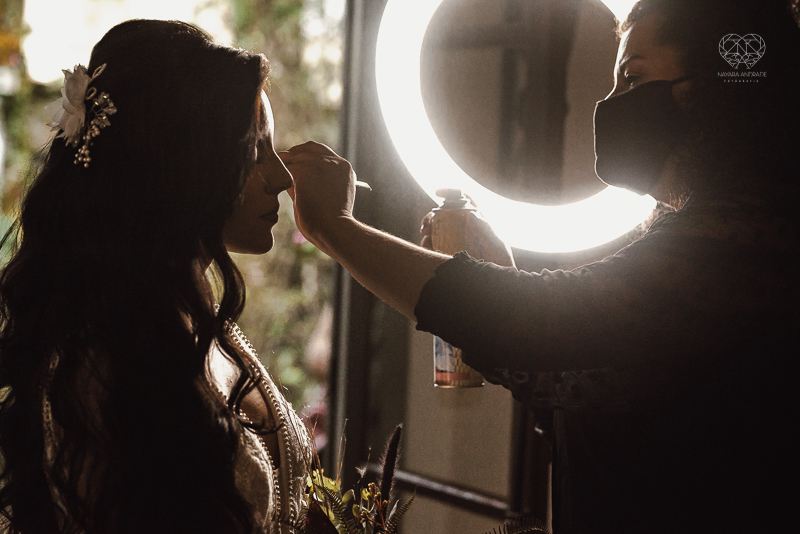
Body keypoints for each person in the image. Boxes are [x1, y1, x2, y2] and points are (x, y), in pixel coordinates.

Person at [283, 0, 800, 531]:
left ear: (710, 88)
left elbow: (549, 325)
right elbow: (596, 391)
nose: (610, 102)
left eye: (632, 76)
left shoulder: (738, 251)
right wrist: (504, 283)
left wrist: (336, 228)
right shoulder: (723, 240)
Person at [0, 19, 313, 533]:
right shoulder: (103, 367)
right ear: (184, 166)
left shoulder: (200, 324)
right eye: (255, 150)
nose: (281, 177)